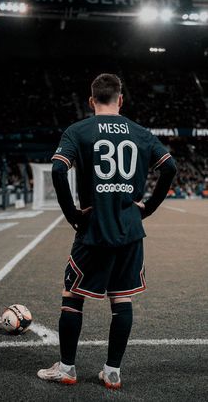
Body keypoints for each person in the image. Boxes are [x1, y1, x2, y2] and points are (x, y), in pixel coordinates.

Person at [37, 74, 177, 389]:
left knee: (72, 295)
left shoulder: (79, 131)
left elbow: (58, 169)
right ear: (121, 100)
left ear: (91, 101)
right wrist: (149, 207)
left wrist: (72, 213)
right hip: (129, 230)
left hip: (94, 229)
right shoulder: (140, 133)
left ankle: (68, 368)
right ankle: (112, 371)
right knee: (121, 299)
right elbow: (170, 167)